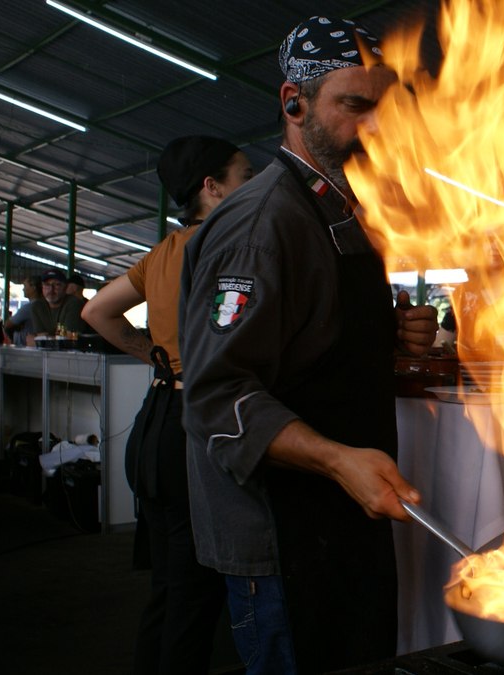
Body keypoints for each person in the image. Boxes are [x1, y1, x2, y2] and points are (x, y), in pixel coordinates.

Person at [179, 17, 437, 674]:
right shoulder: (263, 222)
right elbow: (216, 394)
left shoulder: (339, 209)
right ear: (293, 102)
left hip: (339, 522)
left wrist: (392, 337)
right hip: (281, 537)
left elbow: (313, 346)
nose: (375, 127)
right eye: (354, 106)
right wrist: (335, 460)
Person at [82, 135, 253, 675]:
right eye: (244, 176)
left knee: (170, 588)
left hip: (155, 429)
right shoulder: (227, 249)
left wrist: (154, 357)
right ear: (212, 187)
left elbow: (96, 313)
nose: (251, 186)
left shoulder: (162, 254)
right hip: (193, 436)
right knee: (194, 598)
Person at [30, 268, 90, 340]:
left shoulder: (74, 303)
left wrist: (43, 340)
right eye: (47, 285)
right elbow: (41, 336)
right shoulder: (37, 306)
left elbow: (69, 338)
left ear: (65, 287)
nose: (51, 289)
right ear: (42, 287)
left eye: (57, 285)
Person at [5, 275, 41, 345]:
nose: (23, 289)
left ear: (33, 288)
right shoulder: (43, 305)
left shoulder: (29, 307)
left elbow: (7, 325)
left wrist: (16, 326)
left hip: (25, 347)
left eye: (25, 286)